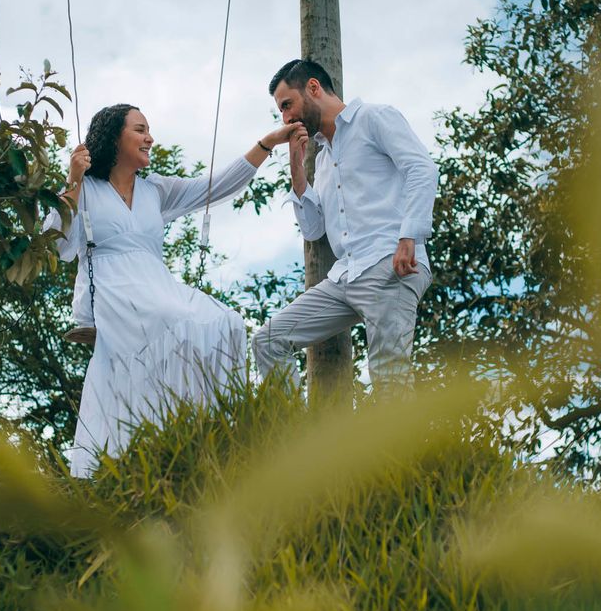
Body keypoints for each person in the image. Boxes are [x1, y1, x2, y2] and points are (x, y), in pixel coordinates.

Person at [44, 104, 298, 477]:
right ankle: (143, 444)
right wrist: (73, 182)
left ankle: (202, 433)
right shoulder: (87, 189)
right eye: (140, 130)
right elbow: (58, 248)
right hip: (113, 288)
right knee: (174, 320)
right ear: (114, 137)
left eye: (149, 130)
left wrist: (266, 143)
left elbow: (217, 185)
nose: (150, 138)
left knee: (224, 321)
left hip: (155, 284)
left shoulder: (156, 190)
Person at [252, 59, 439, 393]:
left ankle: (404, 447)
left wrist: (409, 235)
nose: (285, 118)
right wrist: (297, 164)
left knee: (389, 376)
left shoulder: (374, 117)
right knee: (269, 339)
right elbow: (313, 230)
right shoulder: (322, 156)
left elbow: (421, 169)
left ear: (313, 88)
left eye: (286, 105)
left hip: (390, 263)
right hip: (345, 277)